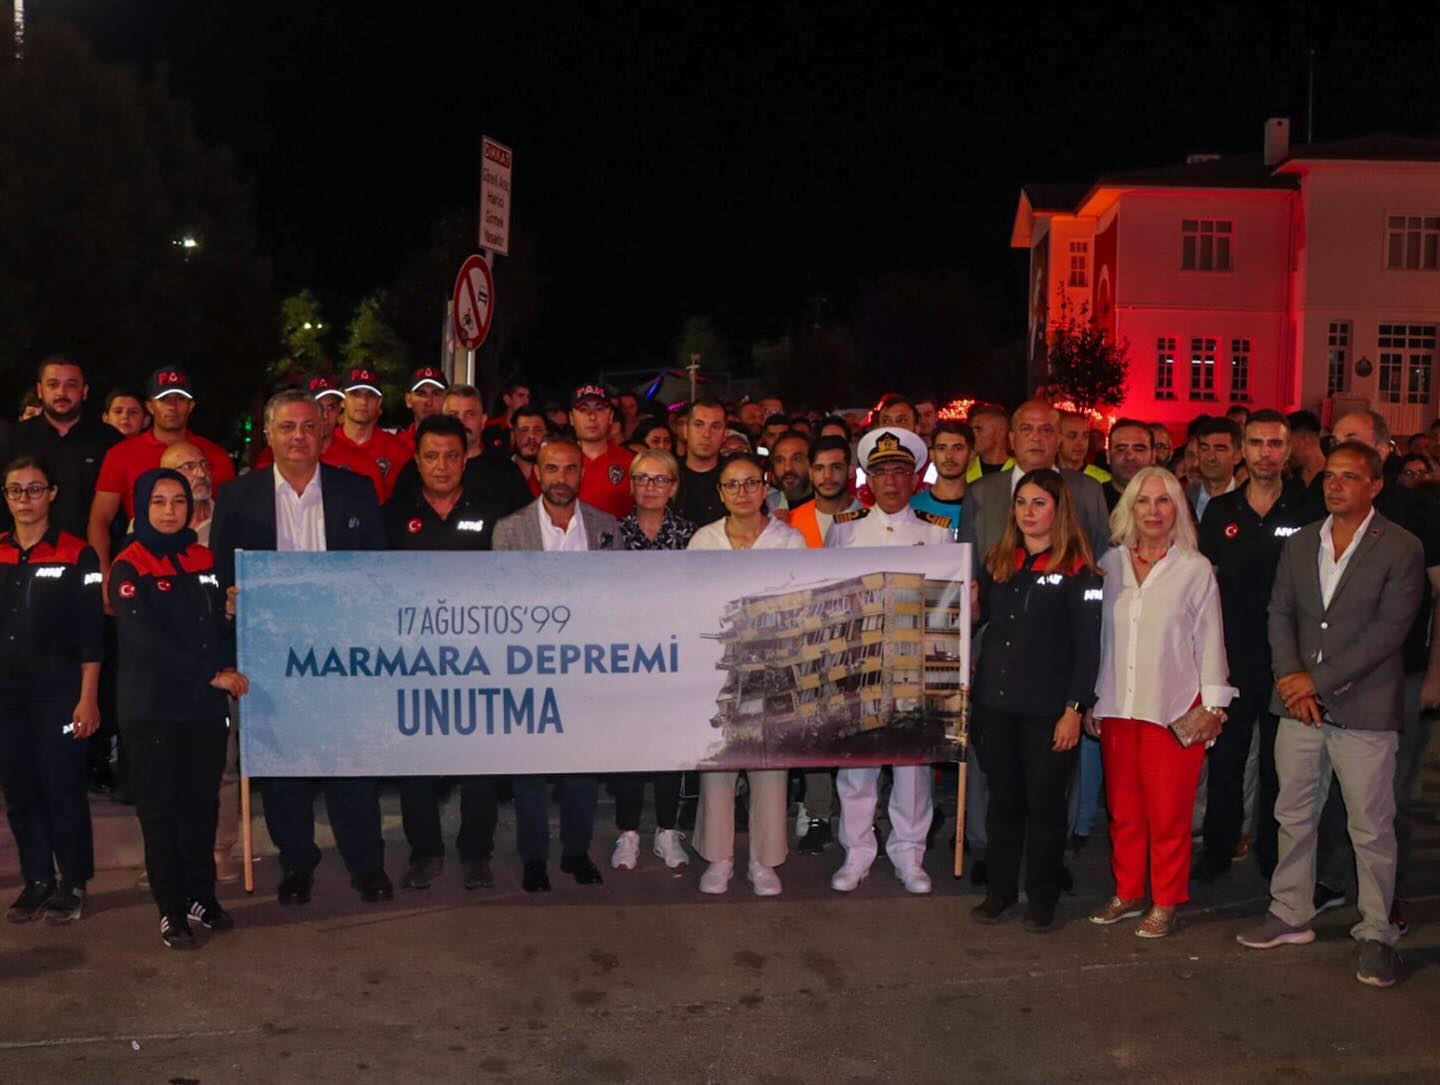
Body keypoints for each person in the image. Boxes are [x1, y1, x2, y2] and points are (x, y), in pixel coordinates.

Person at [1237, 442, 1423, 989]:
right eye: (1330, 476)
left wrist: (1314, 682)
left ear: (1375, 485)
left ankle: (1376, 932)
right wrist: (1293, 681)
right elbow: (1280, 614)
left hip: (1364, 707)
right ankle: (1289, 912)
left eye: (1349, 476)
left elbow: (1389, 631)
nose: (1335, 485)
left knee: (1370, 826)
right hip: (1297, 708)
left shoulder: (1401, 547)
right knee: (1292, 814)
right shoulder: (1301, 542)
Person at [210, 389, 392, 906]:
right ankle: (296, 865)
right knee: (283, 767)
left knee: (350, 761)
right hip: (269, 652)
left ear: (324, 433)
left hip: (342, 652)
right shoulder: (237, 496)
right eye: (287, 427)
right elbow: (222, 573)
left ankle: (367, 864)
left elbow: (377, 570)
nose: (298, 437)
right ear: (268, 434)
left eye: (309, 426)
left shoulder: (355, 491)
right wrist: (229, 604)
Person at [959, 400, 1110, 883]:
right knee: (994, 770)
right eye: (1027, 428)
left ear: (1060, 438)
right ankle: (989, 852)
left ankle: (1052, 860)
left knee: (1054, 775)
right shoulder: (982, 493)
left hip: (1055, 660)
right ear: (1010, 436)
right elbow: (969, 574)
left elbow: (1099, 566)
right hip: (995, 653)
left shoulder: (1087, 491)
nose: (1037, 438)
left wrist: (1079, 693)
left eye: (1048, 430)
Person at [1087, 467, 1235, 938]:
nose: (1153, 510)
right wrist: (1090, 698)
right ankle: (1128, 890)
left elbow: (1210, 639)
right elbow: (1096, 638)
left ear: (1179, 509)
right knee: (1123, 810)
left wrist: (1213, 706)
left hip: (1173, 707)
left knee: (1169, 813)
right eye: (1143, 501)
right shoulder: (1108, 565)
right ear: (1129, 508)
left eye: (1164, 500)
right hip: (1117, 705)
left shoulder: (1194, 568)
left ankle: (1166, 899)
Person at [110, 468, 249, 949]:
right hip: (152, 710)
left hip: (202, 711)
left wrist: (227, 613)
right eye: (159, 501)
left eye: (178, 501)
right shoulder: (128, 565)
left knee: (201, 810)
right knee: (161, 815)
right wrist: (210, 674)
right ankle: (171, 910)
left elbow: (211, 628)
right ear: (141, 508)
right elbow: (144, 641)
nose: (170, 511)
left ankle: (200, 897)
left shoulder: (202, 558)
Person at [1314, 410, 1440, 931]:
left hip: (1397, 677)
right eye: (1336, 441)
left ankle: (1390, 894)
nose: (1340, 450)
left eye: (1354, 441)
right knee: (1331, 788)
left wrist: (1435, 674)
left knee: (1388, 794)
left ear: (1385, 452)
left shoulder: (1417, 513)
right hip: (1330, 678)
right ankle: (1332, 878)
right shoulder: (1322, 507)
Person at [969, 469, 1102, 930]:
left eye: (1039, 503)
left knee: (1045, 805)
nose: (1028, 512)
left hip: (1049, 709)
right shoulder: (999, 559)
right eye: (1022, 502)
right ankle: (1000, 891)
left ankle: (1043, 897)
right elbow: (980, 622)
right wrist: (972, 607)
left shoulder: (1080, 570)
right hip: (996, 702)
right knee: (1003, 802)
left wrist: (1075, 709)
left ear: (1059, 510)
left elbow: (1088, 648)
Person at [384, 415, 507, 892]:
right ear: (417, 461)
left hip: (479, 660)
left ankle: (476, 852)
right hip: (414, 659)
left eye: (451, 456)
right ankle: (425, 852)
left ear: (464, 460)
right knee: (416, 760)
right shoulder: (392, 515)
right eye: (432, 456)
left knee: (480, 761)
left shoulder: (493, 513)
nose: (442, 465)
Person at [492, 437, 620, 892]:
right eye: (551, 468)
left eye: (569, 469)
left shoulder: (607, 528)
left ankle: (575, 852)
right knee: (529, 768)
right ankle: (533, 857)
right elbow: (502, 604)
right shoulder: (509, 530)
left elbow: (618, 599)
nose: (560, 478)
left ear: (581, 473)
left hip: (586, 668)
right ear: (537, 472)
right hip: (529, 667)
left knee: (581, 768)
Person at [826, 428, 951, 896]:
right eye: (882, 473)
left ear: (915, 478)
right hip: (860, 661)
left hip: (914, 661)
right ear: (868, 479)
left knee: (911, 766)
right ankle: (856, 852)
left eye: (901, 471)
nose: (892, 481)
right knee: (858, 764)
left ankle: (909, 854)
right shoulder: (845, 529)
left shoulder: (936, 532)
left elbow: (947, 598)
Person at [1196, 410, 1316, 883]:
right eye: (1257, 443)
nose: (1266, 453)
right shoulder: (1221, 511)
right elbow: (1204, 585)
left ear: (1288, 451)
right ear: (1243, 450)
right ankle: (1218, 848)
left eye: (1275, 443)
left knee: (1278, 765)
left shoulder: (1309, 508)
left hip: (1289, 659)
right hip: (1231, 658)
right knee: (1225, 760)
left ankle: (1272, 851)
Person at [688, 452, 805, 895]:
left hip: (773, 664)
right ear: (720, 493)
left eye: (750, 482)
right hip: (716, 663)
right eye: (732, 484)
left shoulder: (789, 541)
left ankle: (764, 860)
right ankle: (718, 858)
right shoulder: (704, 540)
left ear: (765, 487)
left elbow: (801, 602)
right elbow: (689, 598)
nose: (742, 492)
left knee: (769, 764)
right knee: (718, 761)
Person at [0, 456, 103, 924]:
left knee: (62, 787)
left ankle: (73, 882)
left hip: (60, 689)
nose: (25, 499)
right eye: (15, 490)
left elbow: (91, 635)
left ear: (53, 494)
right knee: (20, 790)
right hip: (7, 694)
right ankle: (37, 880)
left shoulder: (78, 554)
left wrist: (88, 697)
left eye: (35, 489)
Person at [609, 449, 694, 873]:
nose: (650, 487)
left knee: (668, 748)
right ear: (630, 484)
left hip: (676, 656)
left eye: (660, 479)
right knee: (629, 747)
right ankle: (627, 832)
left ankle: (666, 830)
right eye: (642, 478)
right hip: (624, 657)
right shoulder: (611, 533)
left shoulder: (691, 536)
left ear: (673, 487)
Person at [89, 366, 236, 573]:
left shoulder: (215, 456)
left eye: (180, 399)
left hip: (204, 563)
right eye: (164, 399)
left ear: (191, 406)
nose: (172, 406)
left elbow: (232, 519)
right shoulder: (121, 454)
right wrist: (104, 573)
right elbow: (99, 520)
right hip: (143, 565)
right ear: (150, 406)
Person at [11, 355, 121, 538]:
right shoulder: (14, 440)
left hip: (92, 548)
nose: (61, 392)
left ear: (84, 391)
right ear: (40, 390)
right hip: (27, 549)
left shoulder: (110, 440)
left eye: (71, 384)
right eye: (53, 384)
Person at [254, 374, 386, 501]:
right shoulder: (272, 458)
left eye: (331, 407)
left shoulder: (361, 462)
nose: (325, 415)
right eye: (318, 407)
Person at [329, 365, 413, 497]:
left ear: (379, 402)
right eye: (355, 394)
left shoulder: (399, 451)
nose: (363, 401)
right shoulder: (324, 448)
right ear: (343, 401)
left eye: (371, 395)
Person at [570, 384, 636, 519]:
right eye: (583, 409)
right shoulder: (558, 462)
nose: (592, 417)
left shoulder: (632, 462)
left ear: (610, 416)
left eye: (599, 409)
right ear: (571, 418)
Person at [910, 420, 972, 539]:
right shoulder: (911, 508)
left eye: (958, 448)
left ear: (972, 455)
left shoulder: (985, 508)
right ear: (932, 455)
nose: (949, 456)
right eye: (941, 448)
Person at [675, 397, 728, 527]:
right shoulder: (668, 474)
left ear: (725, 434)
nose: (706, 434)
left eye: (715, 426)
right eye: (699, 425)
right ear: (686, 431)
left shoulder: (735, 478)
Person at [1101, 419, 1156, 512]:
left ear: (1153, 456)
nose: (1130, 457)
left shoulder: (1172, 501)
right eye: (1121, 449)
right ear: (1108, 457)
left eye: (1139, 449)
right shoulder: (1092, 501)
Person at [399, 365, 448, 449]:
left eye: (436, 394)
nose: (429, 402)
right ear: (408, 400)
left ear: (447, 400)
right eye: (421, 394)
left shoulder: (456, 443)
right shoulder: (396, 446)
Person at [765, 430, 812, 512]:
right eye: (779, 460)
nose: (787, 468)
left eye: (797, 459)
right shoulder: (765, 507)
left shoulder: (830, 507)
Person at [1058, 412, 1110, 484]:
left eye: (1085, 436)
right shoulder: (1047, 475)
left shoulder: (1104, 480)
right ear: (1057, 439)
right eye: (1072, 436)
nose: (1080, 443)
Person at [965, 402, 1013, 480]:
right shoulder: (963, 469)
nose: (972, 434)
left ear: (999, 433)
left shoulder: (1021, 469)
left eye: (978, 428)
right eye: (971, 429)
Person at [510, 404, 549, 498]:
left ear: (546, 434)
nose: (531, 436)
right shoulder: (499, 473)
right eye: (524, 430)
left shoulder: (557, 475)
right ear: (513, 435)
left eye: (538, 430)